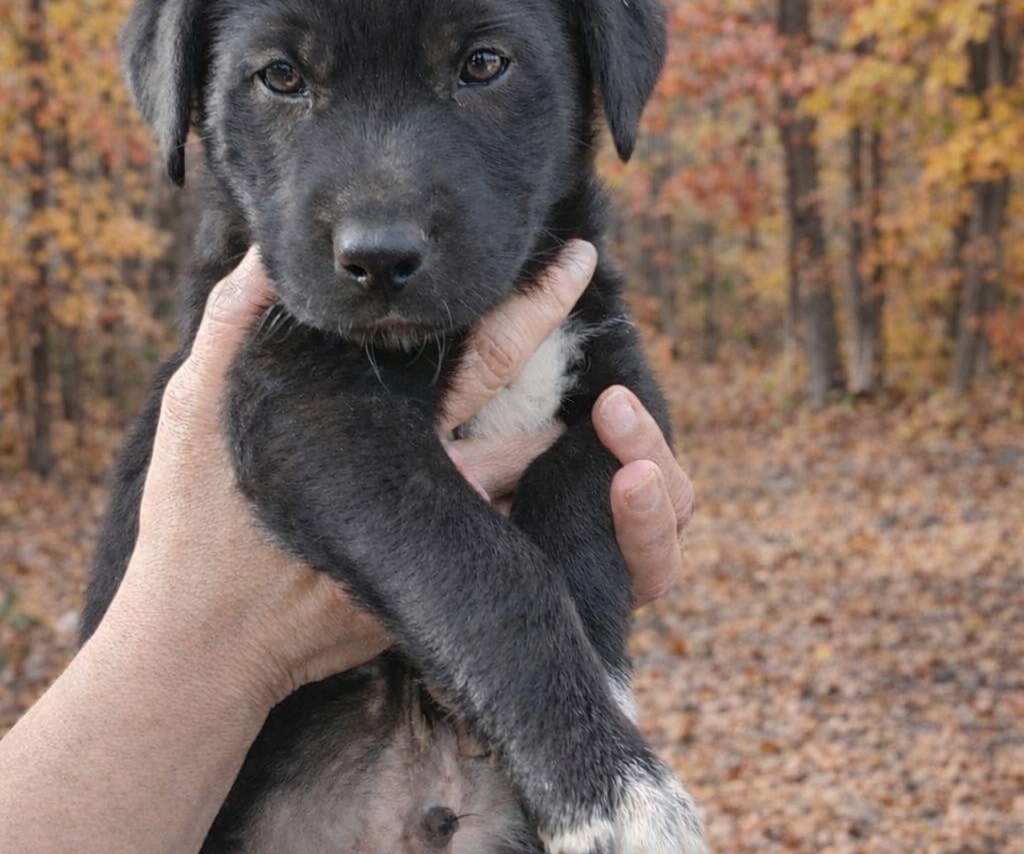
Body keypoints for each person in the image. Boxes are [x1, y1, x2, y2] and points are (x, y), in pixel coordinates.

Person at [0, 245, 695, 854]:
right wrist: (569, 731)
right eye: (285, 87)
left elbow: (615, 438)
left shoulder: (566, 276)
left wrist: (585, 654)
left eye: (477, 83)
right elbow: (332, 446)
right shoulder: (285, 311)